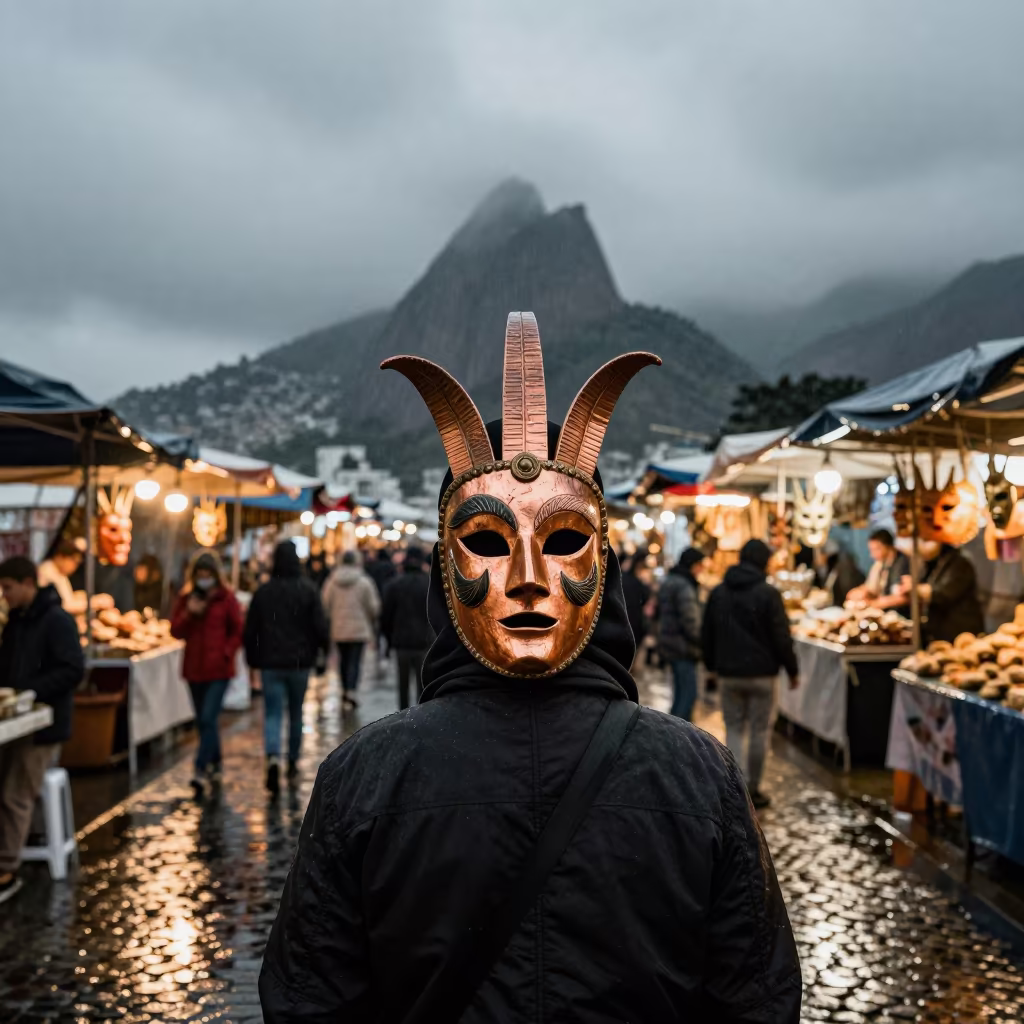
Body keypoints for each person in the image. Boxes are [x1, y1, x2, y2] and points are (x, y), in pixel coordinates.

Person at [261, 312, 800, 1022]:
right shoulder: (699, 776)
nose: (524, 579)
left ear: (600, 570)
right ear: (444, 576)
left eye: (563, 539)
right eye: (486, 540)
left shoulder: (364, 778)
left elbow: (310, 1004)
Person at [0, 556, 84, 904]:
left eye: (8, 588)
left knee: (14, 793)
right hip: (17, 722)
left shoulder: (56, 621)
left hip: (46, 727)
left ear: (28, 583)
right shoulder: (15, 621)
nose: (4, 595)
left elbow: (73, 669)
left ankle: (6, 867)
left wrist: (34, 693)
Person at [702, 538, 799, 810]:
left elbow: (707, 631)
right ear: (764, 562)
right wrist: (792, 669)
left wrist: (711, 665)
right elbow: (781, 635)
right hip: (762, 674)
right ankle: (754, 789)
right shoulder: (768, 594)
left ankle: (737, 788)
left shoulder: (719, 592)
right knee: (759, 731)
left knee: (733, 728)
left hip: (729, 673)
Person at [244, 540, 329, 795]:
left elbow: (251, 630)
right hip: (299, 663)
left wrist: (252, 659)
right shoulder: (308, 590)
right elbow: (320, 627)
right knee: (296, 713)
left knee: (272, 713)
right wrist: (322, 652)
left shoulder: (264, 592)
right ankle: (292, 760)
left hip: (270, 662)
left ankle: (272, 756)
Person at [170, 551, 244, 798]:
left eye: (207, 575)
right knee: (204, 720)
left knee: (208, 718)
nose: (204, 579)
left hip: (219, 670)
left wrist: (226, 652)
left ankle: (199, 770)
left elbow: (237, 629)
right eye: (199, 575)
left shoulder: (227, 599)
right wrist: (190, 612)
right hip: (194, 669)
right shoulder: (186, 599)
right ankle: (216, 763)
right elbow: (176, 631)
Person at [322, 549, 380, 711]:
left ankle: (344, 689)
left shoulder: (332, 581)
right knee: (355, 661)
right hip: (359, 629)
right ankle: (351, 690)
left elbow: (324, 605)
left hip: (338, 629)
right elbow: (374, 607)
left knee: (343, 661)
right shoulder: (364, 582)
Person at [380, 546, 434, 709]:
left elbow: (386, 617)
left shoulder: (394, 584)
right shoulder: (429, 584)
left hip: (401, 642)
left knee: (402, 686)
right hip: (424, 643)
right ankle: (421, 720)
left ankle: (403, 718)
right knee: (423, 687)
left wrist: (388, 642)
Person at [657, 547, 705, 720]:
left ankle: (674, 735)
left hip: (671, 643)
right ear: (693, 565)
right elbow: (691, 621)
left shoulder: (670, 580)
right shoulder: (684, 585)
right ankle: (678, 739)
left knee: (680, 693)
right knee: (688, 695)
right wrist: (703, 641)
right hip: (683, 647)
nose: (702, 569)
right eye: (700, 565)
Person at [906, 541, 984, 644]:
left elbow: (943, 594)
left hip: (959, 633)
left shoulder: (959, 563)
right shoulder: (933, 563)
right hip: (940, 632)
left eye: (926, 540)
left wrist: (916, 589)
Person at [847, 528, 910, 610]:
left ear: (886, 547)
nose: (872, 555)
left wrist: (873, 604)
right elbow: (871, 586)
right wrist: (859, 591)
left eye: (875, 549)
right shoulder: (880, 564)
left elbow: (904, 598)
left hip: (901, 615)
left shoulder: (902, 563)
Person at [619, 551, 651, 660]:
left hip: (626, 620)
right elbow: (645, 597)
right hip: (633, 621)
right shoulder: (635, 581)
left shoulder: (624, 578)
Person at [36, 539, 83, 610]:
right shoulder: (47, 571)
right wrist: (93, 603)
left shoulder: (60, 573)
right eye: (73, 562)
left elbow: (67, 599)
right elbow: (64, 605)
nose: (75, 567)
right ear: (60, 557)